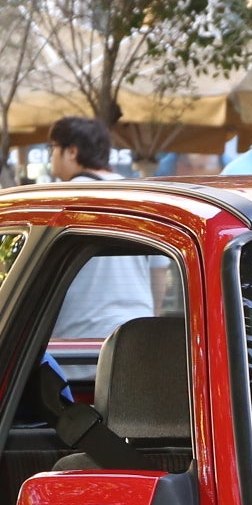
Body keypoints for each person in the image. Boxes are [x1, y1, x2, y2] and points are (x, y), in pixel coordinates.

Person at [41, 119, 155, 340]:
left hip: (79, 339)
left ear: (71, 151)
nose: (51, 156)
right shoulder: (140, 196)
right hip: (137, 334)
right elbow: (158, 270)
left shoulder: (61, 199)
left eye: (52, 148)